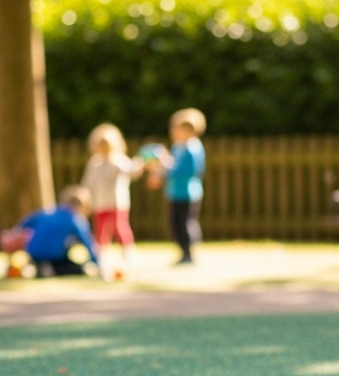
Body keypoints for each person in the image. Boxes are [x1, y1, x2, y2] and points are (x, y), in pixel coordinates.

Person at [79, 123, 142, 270]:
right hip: (100, 203)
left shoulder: (118, 160)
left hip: (117, 203)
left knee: (120, 227)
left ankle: (128, 250)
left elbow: (132, 171)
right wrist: (85, 196)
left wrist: (140, 163)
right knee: (100, 229)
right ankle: (99, 253)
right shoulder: (94, 163)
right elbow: (88, 183)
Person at [156, 107, 206, 265]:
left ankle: (189, 251)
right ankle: (183, 251)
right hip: (175, 192)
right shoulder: (178, 147)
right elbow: (172, 164)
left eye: (176, 128)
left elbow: (183, 170)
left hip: (188, 193)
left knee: (186, 223)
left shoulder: (192, 148)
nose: (172, 131)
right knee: (175, 223)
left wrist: (163, 171)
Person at [16, 185, 100, 277]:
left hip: (33, 253)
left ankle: (38, 266)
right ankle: (48, 269)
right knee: (80, 269)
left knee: (68, 245)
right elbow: (88, 243)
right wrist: (98, 263)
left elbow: (21, 226)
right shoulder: (76, 219)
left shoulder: (47, 212)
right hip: (54, 256)